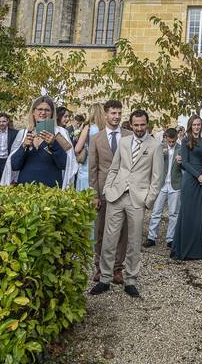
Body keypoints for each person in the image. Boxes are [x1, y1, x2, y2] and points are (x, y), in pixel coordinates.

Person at [90, 109, 163, 298]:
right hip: (116, 195)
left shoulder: (155, 146)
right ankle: (105, 278)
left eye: (142, 125)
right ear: (130, 125)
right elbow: (114, 168)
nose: (139, 128)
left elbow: (157, 178)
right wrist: (108, 189)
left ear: (147, 124)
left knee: (133, 240)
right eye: (136, 125)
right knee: (109, 238)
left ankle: (130, 279)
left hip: (137, 199)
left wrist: (149, 200)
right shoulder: (124, 142)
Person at [87, 100, 129, 284]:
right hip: (103, 191)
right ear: (106, 115)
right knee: (100, 230)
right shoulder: (96, 139)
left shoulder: (129, 136)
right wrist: (94, 195)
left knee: (122, 231)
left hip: (125, 191)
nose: (116, 117)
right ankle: (99, 267)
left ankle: (117, 269)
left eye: (119, 113)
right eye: (113, 113)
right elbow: (92, 169)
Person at [9, 96, 69, 187]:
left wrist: (54, 144)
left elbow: (66, 164)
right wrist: (23, 146)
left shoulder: (60, 133)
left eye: (47, 110)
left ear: (52, 113)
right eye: (40, 109)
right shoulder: (23, 133)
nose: (43, 112)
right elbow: (14, 165)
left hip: (51, 190)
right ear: (33, 112)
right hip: (25, 190)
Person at [172, 115, 202, 260]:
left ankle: (196, 251)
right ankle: (183, 249)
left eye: (199, 124)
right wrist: (198, 175)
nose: (197, 127)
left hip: (201, 180)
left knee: (198, 215)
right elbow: (185, 163)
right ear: (190, 126)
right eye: (194, 125)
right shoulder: (186, 140)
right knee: (187, 213)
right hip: (190, 179)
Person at [145, 127, 181, 249]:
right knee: (156, 211)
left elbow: (185, 167)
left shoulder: (181, 149)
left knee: (173, 213)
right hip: (161, 184)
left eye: (173, 141)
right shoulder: (159, 147)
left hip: (175, 184)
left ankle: (170, 238)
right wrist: (161, 155)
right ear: (165, 138)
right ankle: (151, 237)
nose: (171, 144)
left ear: (177, 139)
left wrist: (181, 162)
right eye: (169, 141)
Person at [73, 104, 104, 192]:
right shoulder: (105, 129)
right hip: (101, 166)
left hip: (87, 166)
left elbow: (77, 149)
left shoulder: (89, 128)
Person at [57, 106, 79, 188]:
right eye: (65, 116)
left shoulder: (63, 130)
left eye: (68, 117)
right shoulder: (61, 131)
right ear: (59, 116)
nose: (68, 119)